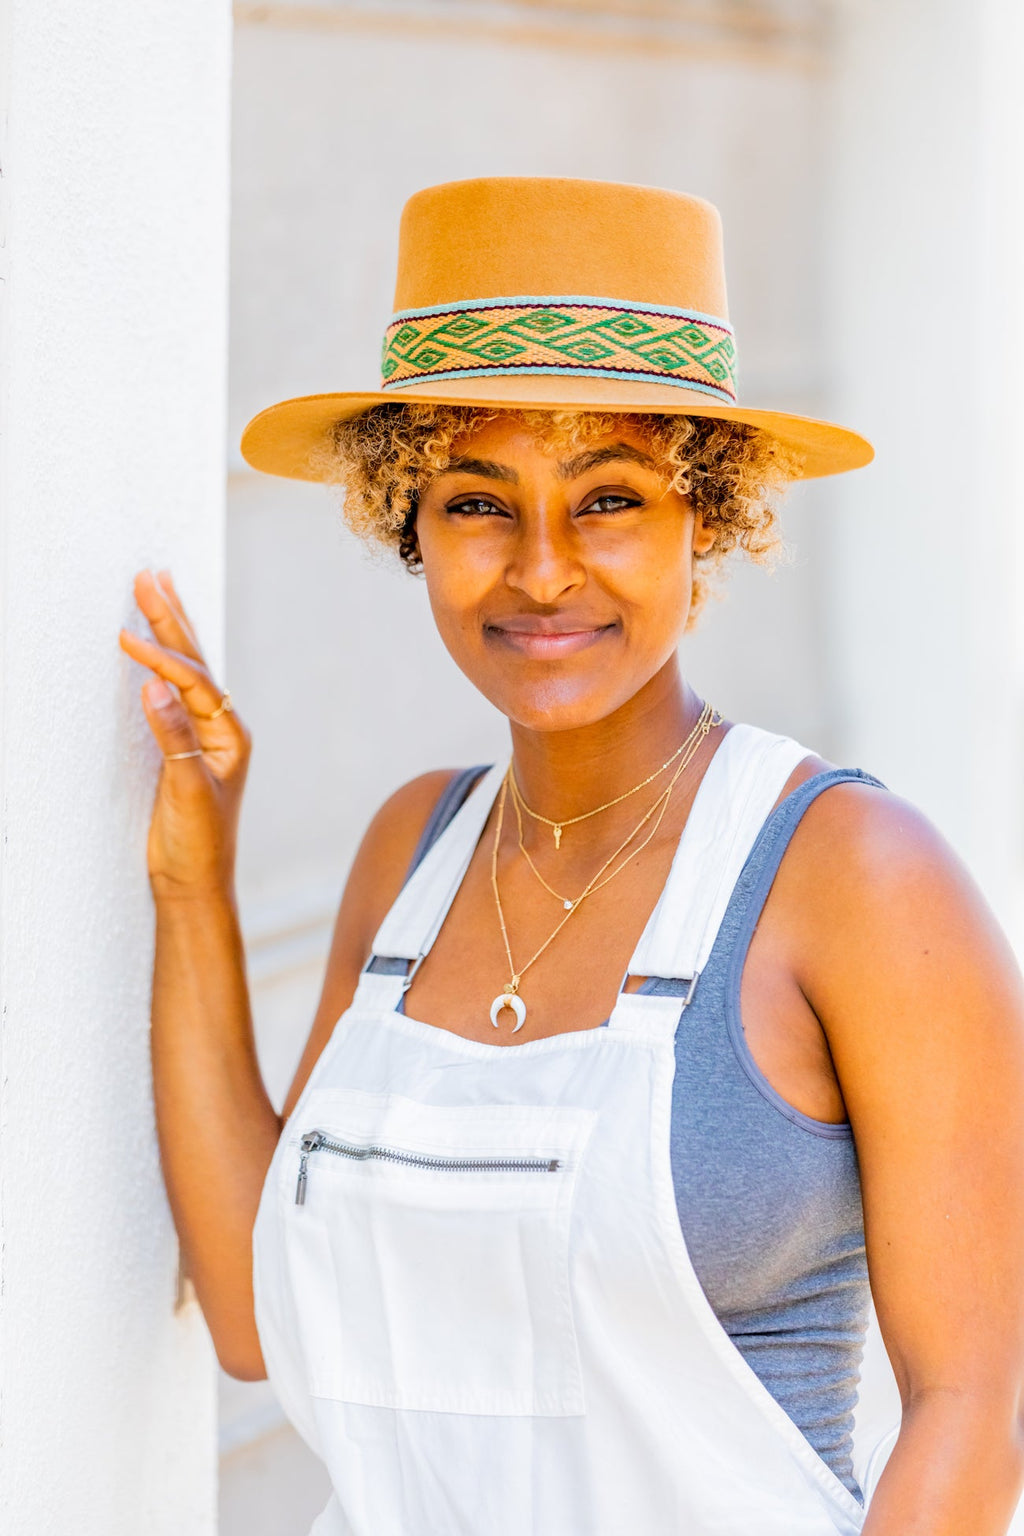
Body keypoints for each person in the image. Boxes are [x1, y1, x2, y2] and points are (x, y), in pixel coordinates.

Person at [118, 178, 1024, 1536]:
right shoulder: (411, 856)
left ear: (704, 524)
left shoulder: (854, 874)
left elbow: (978, 1400)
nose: (542, 572)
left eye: (608, 500)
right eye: (481, 504)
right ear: (405, 525)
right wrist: (192, 890)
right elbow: (258, 1318)